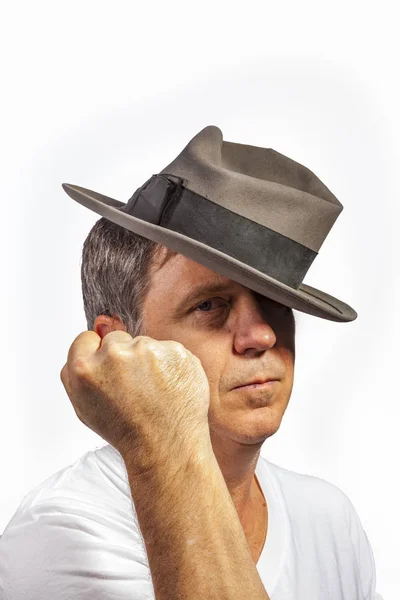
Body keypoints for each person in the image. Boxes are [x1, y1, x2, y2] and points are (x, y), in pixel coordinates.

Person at [0, 126, 383, 599]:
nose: (262, 334)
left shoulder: (328, 518)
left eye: (275, 303)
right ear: (116, 344)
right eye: (208, 305)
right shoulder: (65, 531)